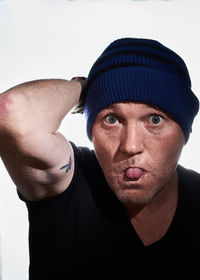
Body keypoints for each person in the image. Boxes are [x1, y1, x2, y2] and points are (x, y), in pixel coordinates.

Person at [0, 38, 200, 280]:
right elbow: (11, 114)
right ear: (91, 126)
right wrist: (85, 88)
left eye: (154, 120)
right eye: (112, 119)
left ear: (184, 132)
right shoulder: (69, 183)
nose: (131, 145)